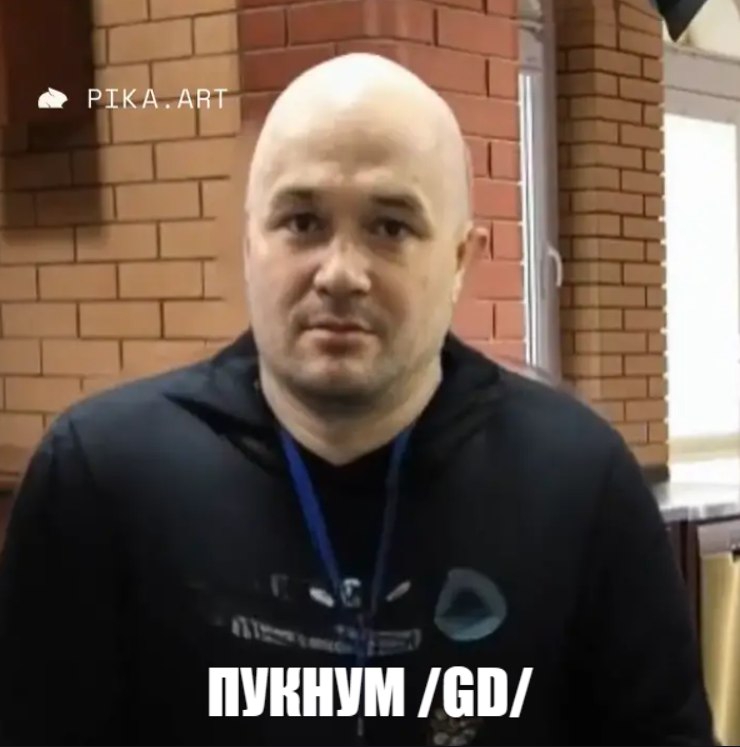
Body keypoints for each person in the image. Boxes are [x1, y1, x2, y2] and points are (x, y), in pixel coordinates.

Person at [0, 53, 715, 746]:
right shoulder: (102, 479)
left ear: (460, 259)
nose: (340, 273)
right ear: (250, 244)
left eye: (390, 226)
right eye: (302, 222)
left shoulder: (580, 483)